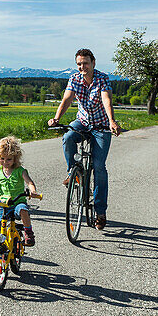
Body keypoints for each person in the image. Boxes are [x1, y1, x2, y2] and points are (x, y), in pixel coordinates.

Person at [47, 48, 122, 230]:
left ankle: (100, 211)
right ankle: (74, 173)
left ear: (93, 63)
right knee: (68, 137)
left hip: (101, 126)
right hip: (82, 121)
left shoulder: (102, 78)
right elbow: (67, 99)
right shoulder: (74, 78)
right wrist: (56, 118)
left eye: (85, 63)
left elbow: (106, 100)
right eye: (79, 64)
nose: (82, 67)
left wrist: (112, 121)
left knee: (99, 167)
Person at [0, 136, 39, 270]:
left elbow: (29, 182)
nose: (5, 162)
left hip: (17, 203)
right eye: (2, 159)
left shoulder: (20, 171)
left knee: (23, 210)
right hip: (3, 206)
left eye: (9, 159)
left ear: (16, 158)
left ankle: (28, 232)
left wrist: (32, 191)